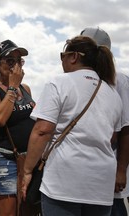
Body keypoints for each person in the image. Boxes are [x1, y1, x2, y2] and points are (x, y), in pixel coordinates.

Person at [22, 35, 122, 216]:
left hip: (65, 180)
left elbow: (42, 131)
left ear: (74, 57)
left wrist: (28, 171)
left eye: (63, 56)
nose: (62, 61)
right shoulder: (112, 92)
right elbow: (112, 137)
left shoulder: (59, 83)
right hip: (101, 183)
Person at [0, 39, 36, 216]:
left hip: (27, 158)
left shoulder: (25, 88)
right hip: (2, 156)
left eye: (19, 61)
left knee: (27, 210)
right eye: (10, 61)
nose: (16, 65)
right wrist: (12, 87)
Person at [81, 27, 129, 216]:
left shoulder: (120, 81)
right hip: (87, 168)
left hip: (111, 165)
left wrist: (121, 170)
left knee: (113, 208)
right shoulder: (82, 78)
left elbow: (126, 128)